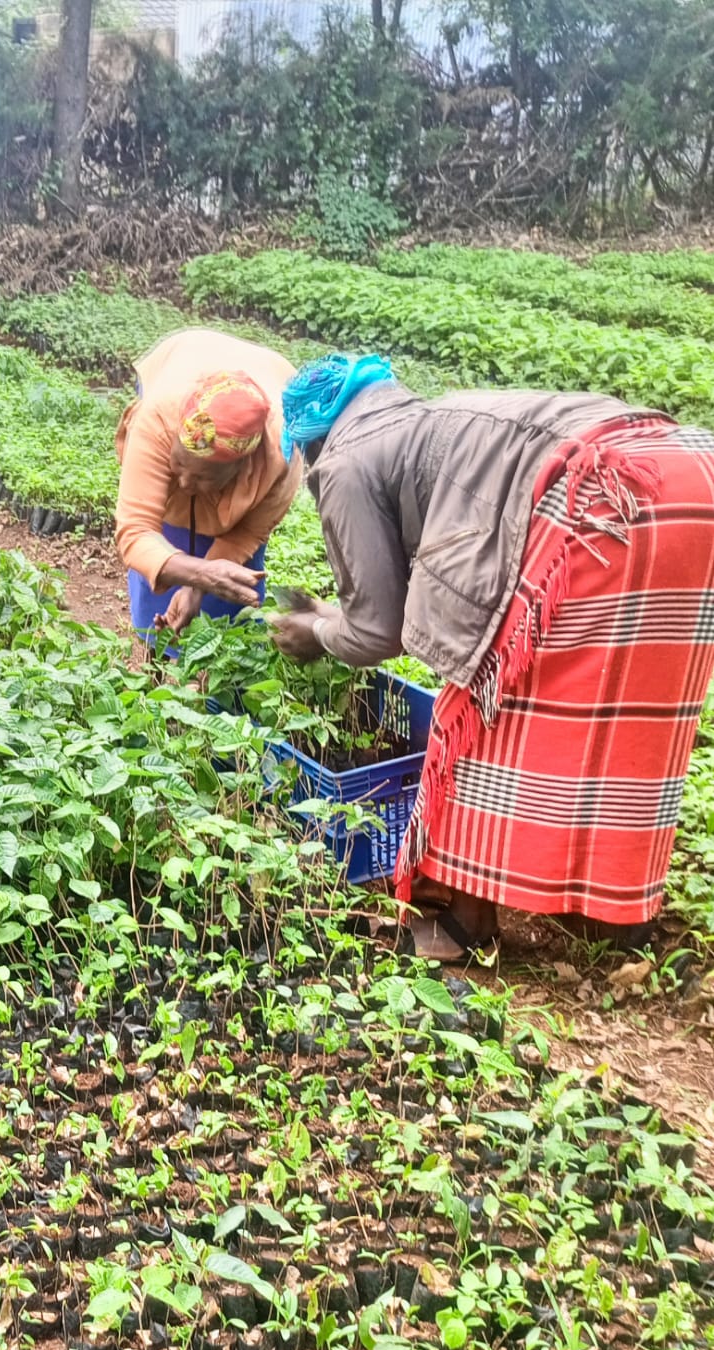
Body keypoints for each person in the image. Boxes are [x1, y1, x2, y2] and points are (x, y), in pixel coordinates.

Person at [269, 352, 714, 959]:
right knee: (628, 714)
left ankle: (466, 921)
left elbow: (376, 635)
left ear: (311, 442)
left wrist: (316, 634)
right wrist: (331, 615)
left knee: (489, 707)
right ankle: (610, 912)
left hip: (596, 496)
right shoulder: (423, 423)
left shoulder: (342, 463)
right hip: (682, 472)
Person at [114, 329, 303, 653]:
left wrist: (197, 587)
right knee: (160, 553)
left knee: (229, 595)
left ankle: (220, 674)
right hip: (185, 358)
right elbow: (136, 529)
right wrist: (198, 573)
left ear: (241, 468)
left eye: (203, 478)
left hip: (267, 379)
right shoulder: (158, 419)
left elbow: (245, 534)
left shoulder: (280, 458)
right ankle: (153, 656)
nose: (185, 484)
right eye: (178, 465)